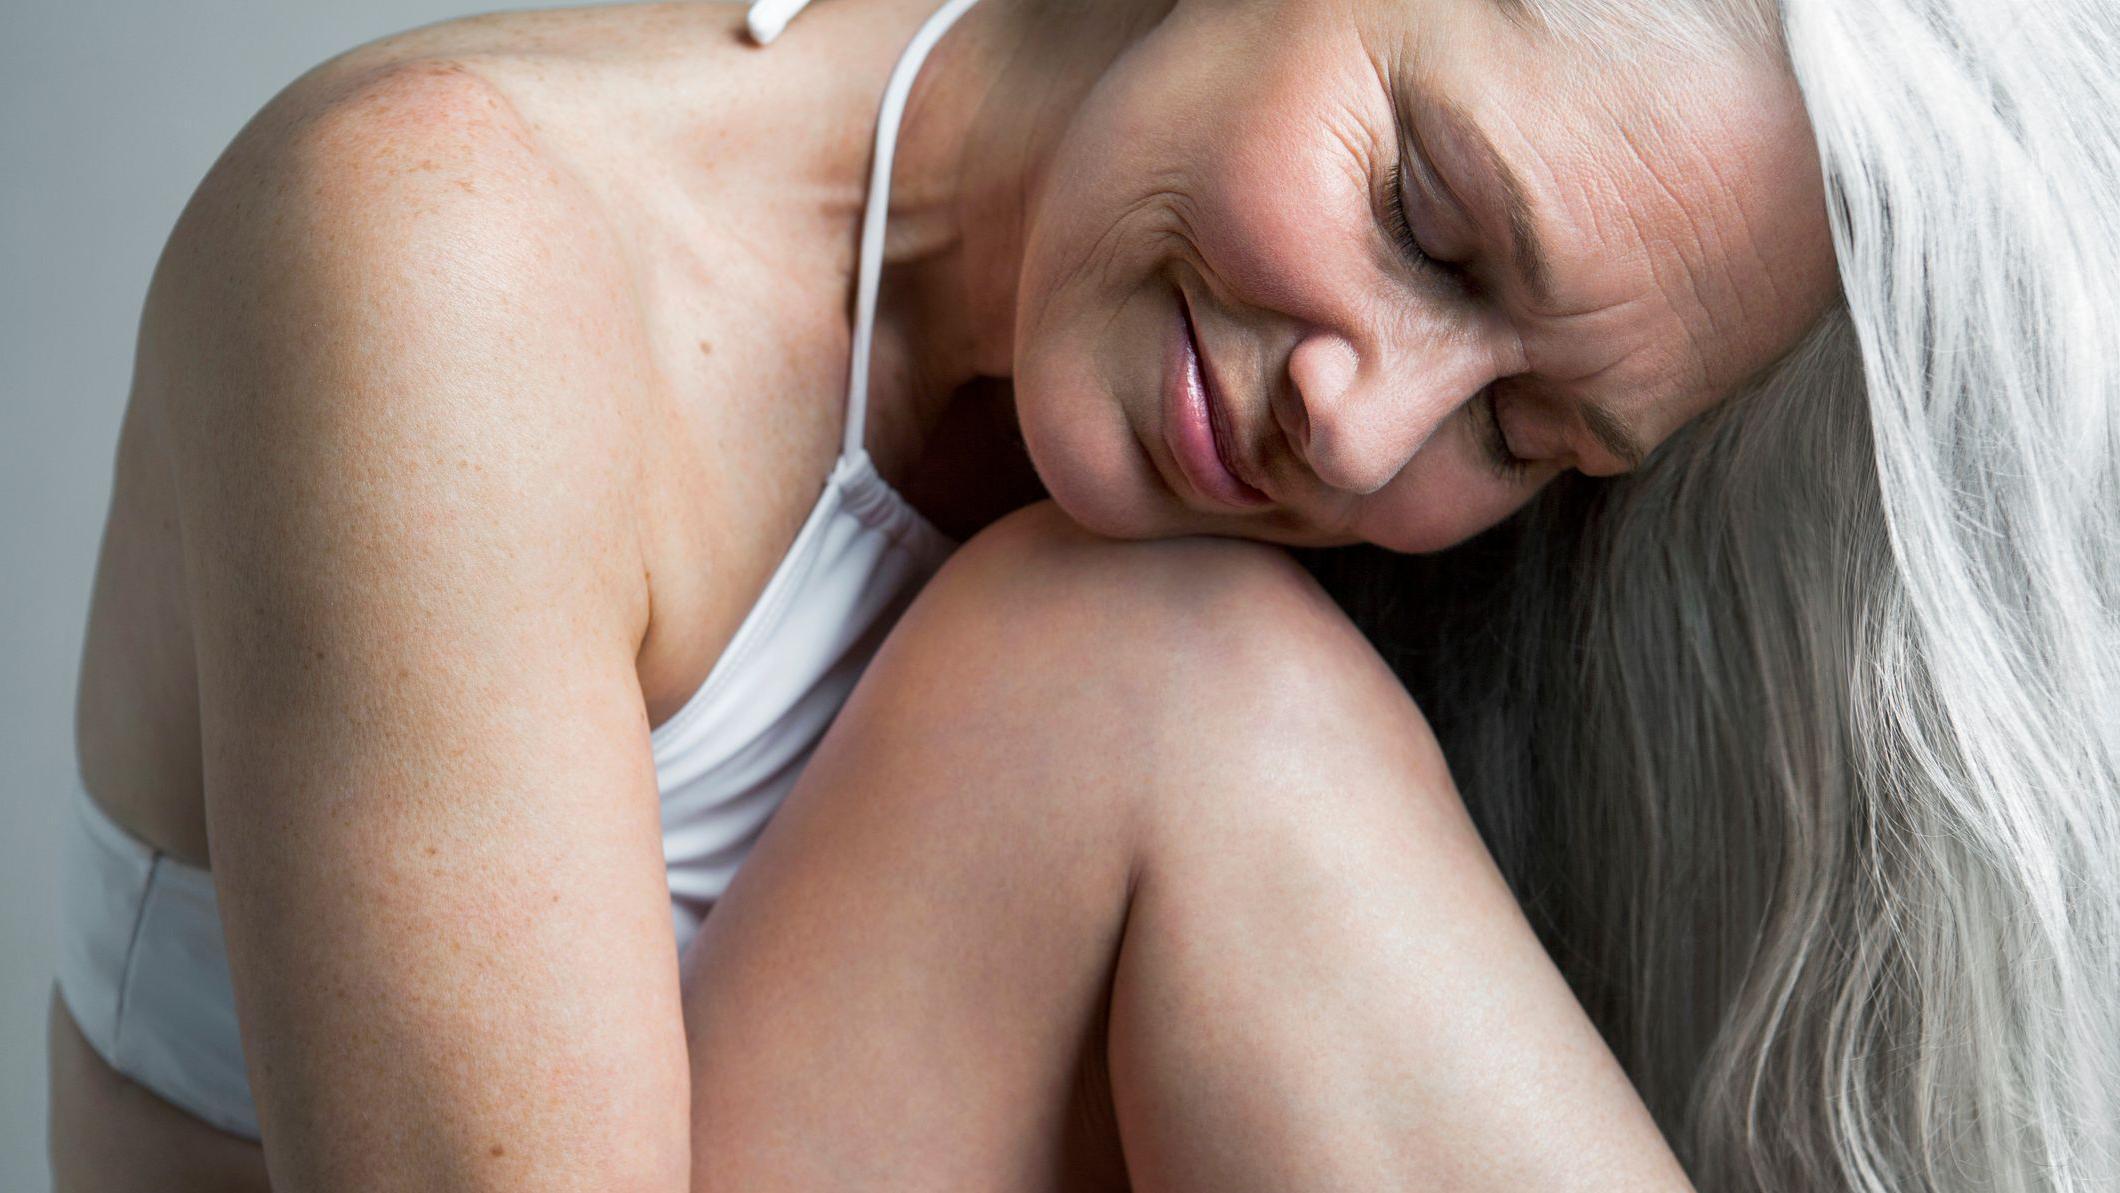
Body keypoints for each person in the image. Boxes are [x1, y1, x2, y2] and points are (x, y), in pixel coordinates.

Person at [47, 0, 2119, 1187]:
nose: (1373, 433)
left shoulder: (1302, 558)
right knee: (1145, 672)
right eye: (1422, 220)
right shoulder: (455, 260)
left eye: (1531, 436)